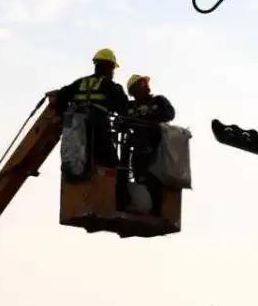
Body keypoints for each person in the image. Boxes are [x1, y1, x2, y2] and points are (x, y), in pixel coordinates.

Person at [50, 48, 128, 169]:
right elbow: (123, 107)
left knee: (76, 159)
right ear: (109, 67)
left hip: (75, 128)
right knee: (111, 163)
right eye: (112, 69)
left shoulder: (79, 82)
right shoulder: (110, 86)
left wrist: (61, 116)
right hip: (97, 125)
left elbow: (62, 96)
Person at [125, 74, 175, 215]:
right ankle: (140, 204)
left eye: (145, 83)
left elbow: (170, 114)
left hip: (157, 144)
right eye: (142, 83)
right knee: (139, 175)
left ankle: (157, 209)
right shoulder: (129, 107)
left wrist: (152, 116)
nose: (146, 85)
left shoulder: (158, 100)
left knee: (154, 175)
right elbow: (122, 122)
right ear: (133, 90)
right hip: (139, 147)